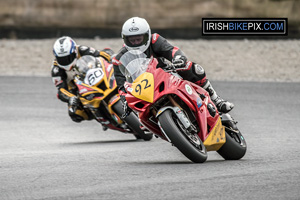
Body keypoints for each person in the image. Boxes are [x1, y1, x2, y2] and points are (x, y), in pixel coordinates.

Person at [112, 17, 234, 113]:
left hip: (166, 75)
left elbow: (172, 50)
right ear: (125, 39)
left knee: (192, 68)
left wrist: (178, 58)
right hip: (144, 88)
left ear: (147, 36)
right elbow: (121, 86)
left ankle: (216, 99)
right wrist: (124, 99)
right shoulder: (119, 59)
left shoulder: (155, 40)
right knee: (131, 105)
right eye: (131, 40)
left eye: (139, 39)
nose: (135, 43)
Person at [51, 36, 114, 123]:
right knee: (75, 113)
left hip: (92, 75)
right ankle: (100, 117)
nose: (65, 61)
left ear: (74, 52)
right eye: (61, 59)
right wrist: (71, 98)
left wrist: (112, 59)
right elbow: (61, 89)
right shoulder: (56, 69)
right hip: (77, 90)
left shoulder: (82, 49)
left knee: (108, 53)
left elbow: (100, 54)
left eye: (68, 57)